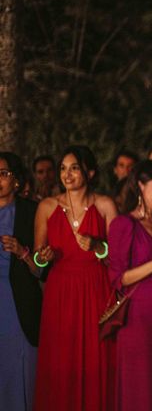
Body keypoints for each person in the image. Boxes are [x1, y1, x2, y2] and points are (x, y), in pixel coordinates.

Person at [32, 145, 118, 411]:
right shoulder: (47, 207)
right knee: (61, 359)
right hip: (60, 293)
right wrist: (41, 257)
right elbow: (36, 263)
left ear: (89, 172)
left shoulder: (104, 205)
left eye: (74, 168)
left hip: (95, 289)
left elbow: (117, 256)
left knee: (96, 358)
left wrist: (97, 246)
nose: (67, 175)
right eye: (63, 169)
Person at [107, 159, 152, 411]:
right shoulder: (124, 224)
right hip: (137, 320)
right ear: (140, 186)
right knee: (141, 389)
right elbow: (117, 277)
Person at [0, 152, 41, 411]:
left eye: (3, 173)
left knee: (19, 372)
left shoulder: (31, 211)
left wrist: (22, 252)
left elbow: (43, 266)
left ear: (16, 180)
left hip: (18, 301)